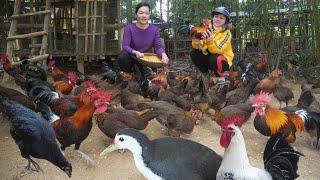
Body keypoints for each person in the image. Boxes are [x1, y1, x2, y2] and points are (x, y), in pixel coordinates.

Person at [118, 2, 169, 85]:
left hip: (147, 60)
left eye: (146, 13)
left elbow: (158, 47)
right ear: (136, 14)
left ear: (149, 15)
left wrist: (163, 54)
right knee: (122, 56)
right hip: (132, 57)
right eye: (141, 13)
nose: (144, 16)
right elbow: (125, 46)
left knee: (150, 82)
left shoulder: (155, 30)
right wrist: (135, 52)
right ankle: (129, 75)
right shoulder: (129, 28)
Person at [190, 7, 234, 82]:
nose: (218, 19)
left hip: (221, 59)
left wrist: (210, 41)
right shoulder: (206, 28)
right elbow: (199, 45)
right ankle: (205, 74)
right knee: (194, 53)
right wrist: (196, 43)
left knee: (216, 58)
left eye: (221, 18)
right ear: (213, 17)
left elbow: (218, 50)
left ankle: (221, 78)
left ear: (225, 21)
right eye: (216, 16)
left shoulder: (227, 33)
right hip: (208, 57)